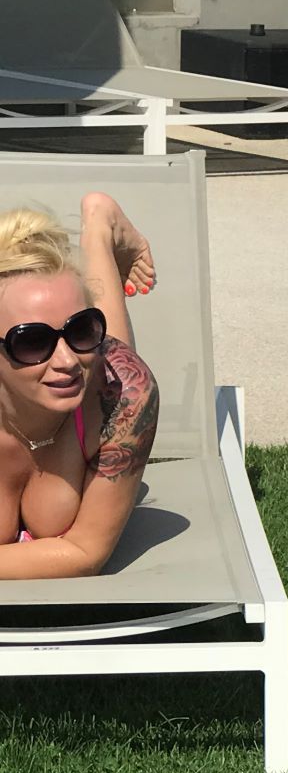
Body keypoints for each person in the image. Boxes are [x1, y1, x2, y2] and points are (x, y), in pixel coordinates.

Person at [0, 192, 158, 577]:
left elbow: (85, 553)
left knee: (111, 368)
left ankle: (99, 228)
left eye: (83, 329)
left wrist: (82, 340)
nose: (67, 360)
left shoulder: (128, 395)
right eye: (32, 341)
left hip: (98, 394)